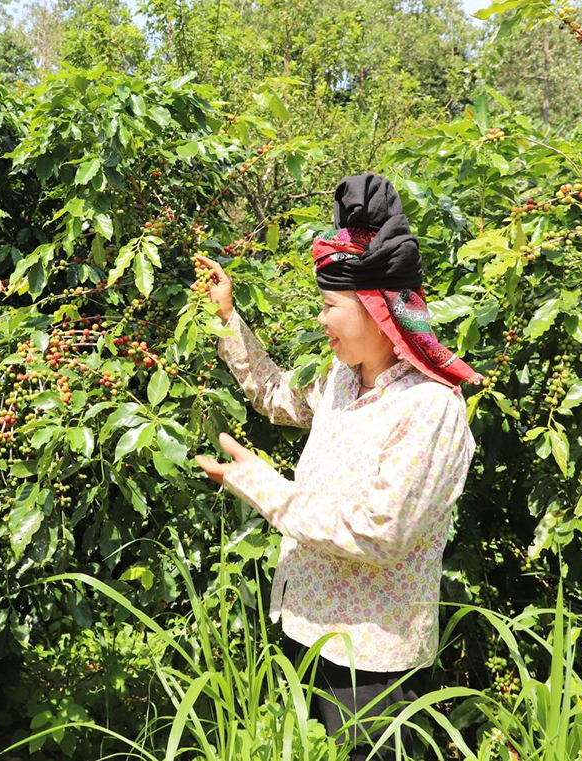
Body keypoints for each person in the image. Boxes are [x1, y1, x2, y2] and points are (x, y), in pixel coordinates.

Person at [194, 173, 480, 758]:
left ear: (378, 311)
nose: (322, 321)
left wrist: (266, 490)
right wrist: (228, 319)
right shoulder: (342, 381)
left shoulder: (429, 410)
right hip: (308, 626)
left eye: (330, 307)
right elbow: (279, 396)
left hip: (371, 656)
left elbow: (380, 533)